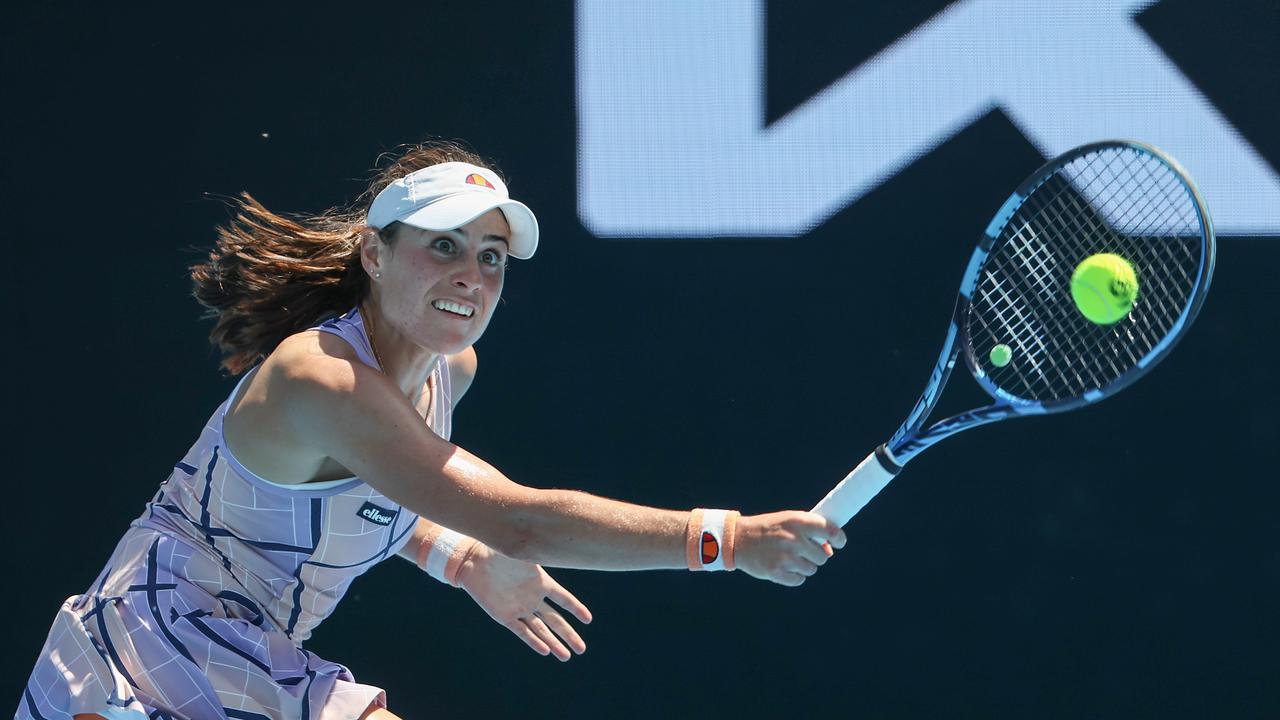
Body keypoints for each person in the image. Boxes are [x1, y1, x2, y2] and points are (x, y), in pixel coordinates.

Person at [18, 140, 847, 720]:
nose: (472, 276)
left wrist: (464, 559)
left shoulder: (449, 372)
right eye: (443, 246)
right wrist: (728, 539)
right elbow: (518, 517)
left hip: (233, 653)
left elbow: (395, 499)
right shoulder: (320, 377)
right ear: (374, 255)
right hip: (150, 643)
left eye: (490, 256)